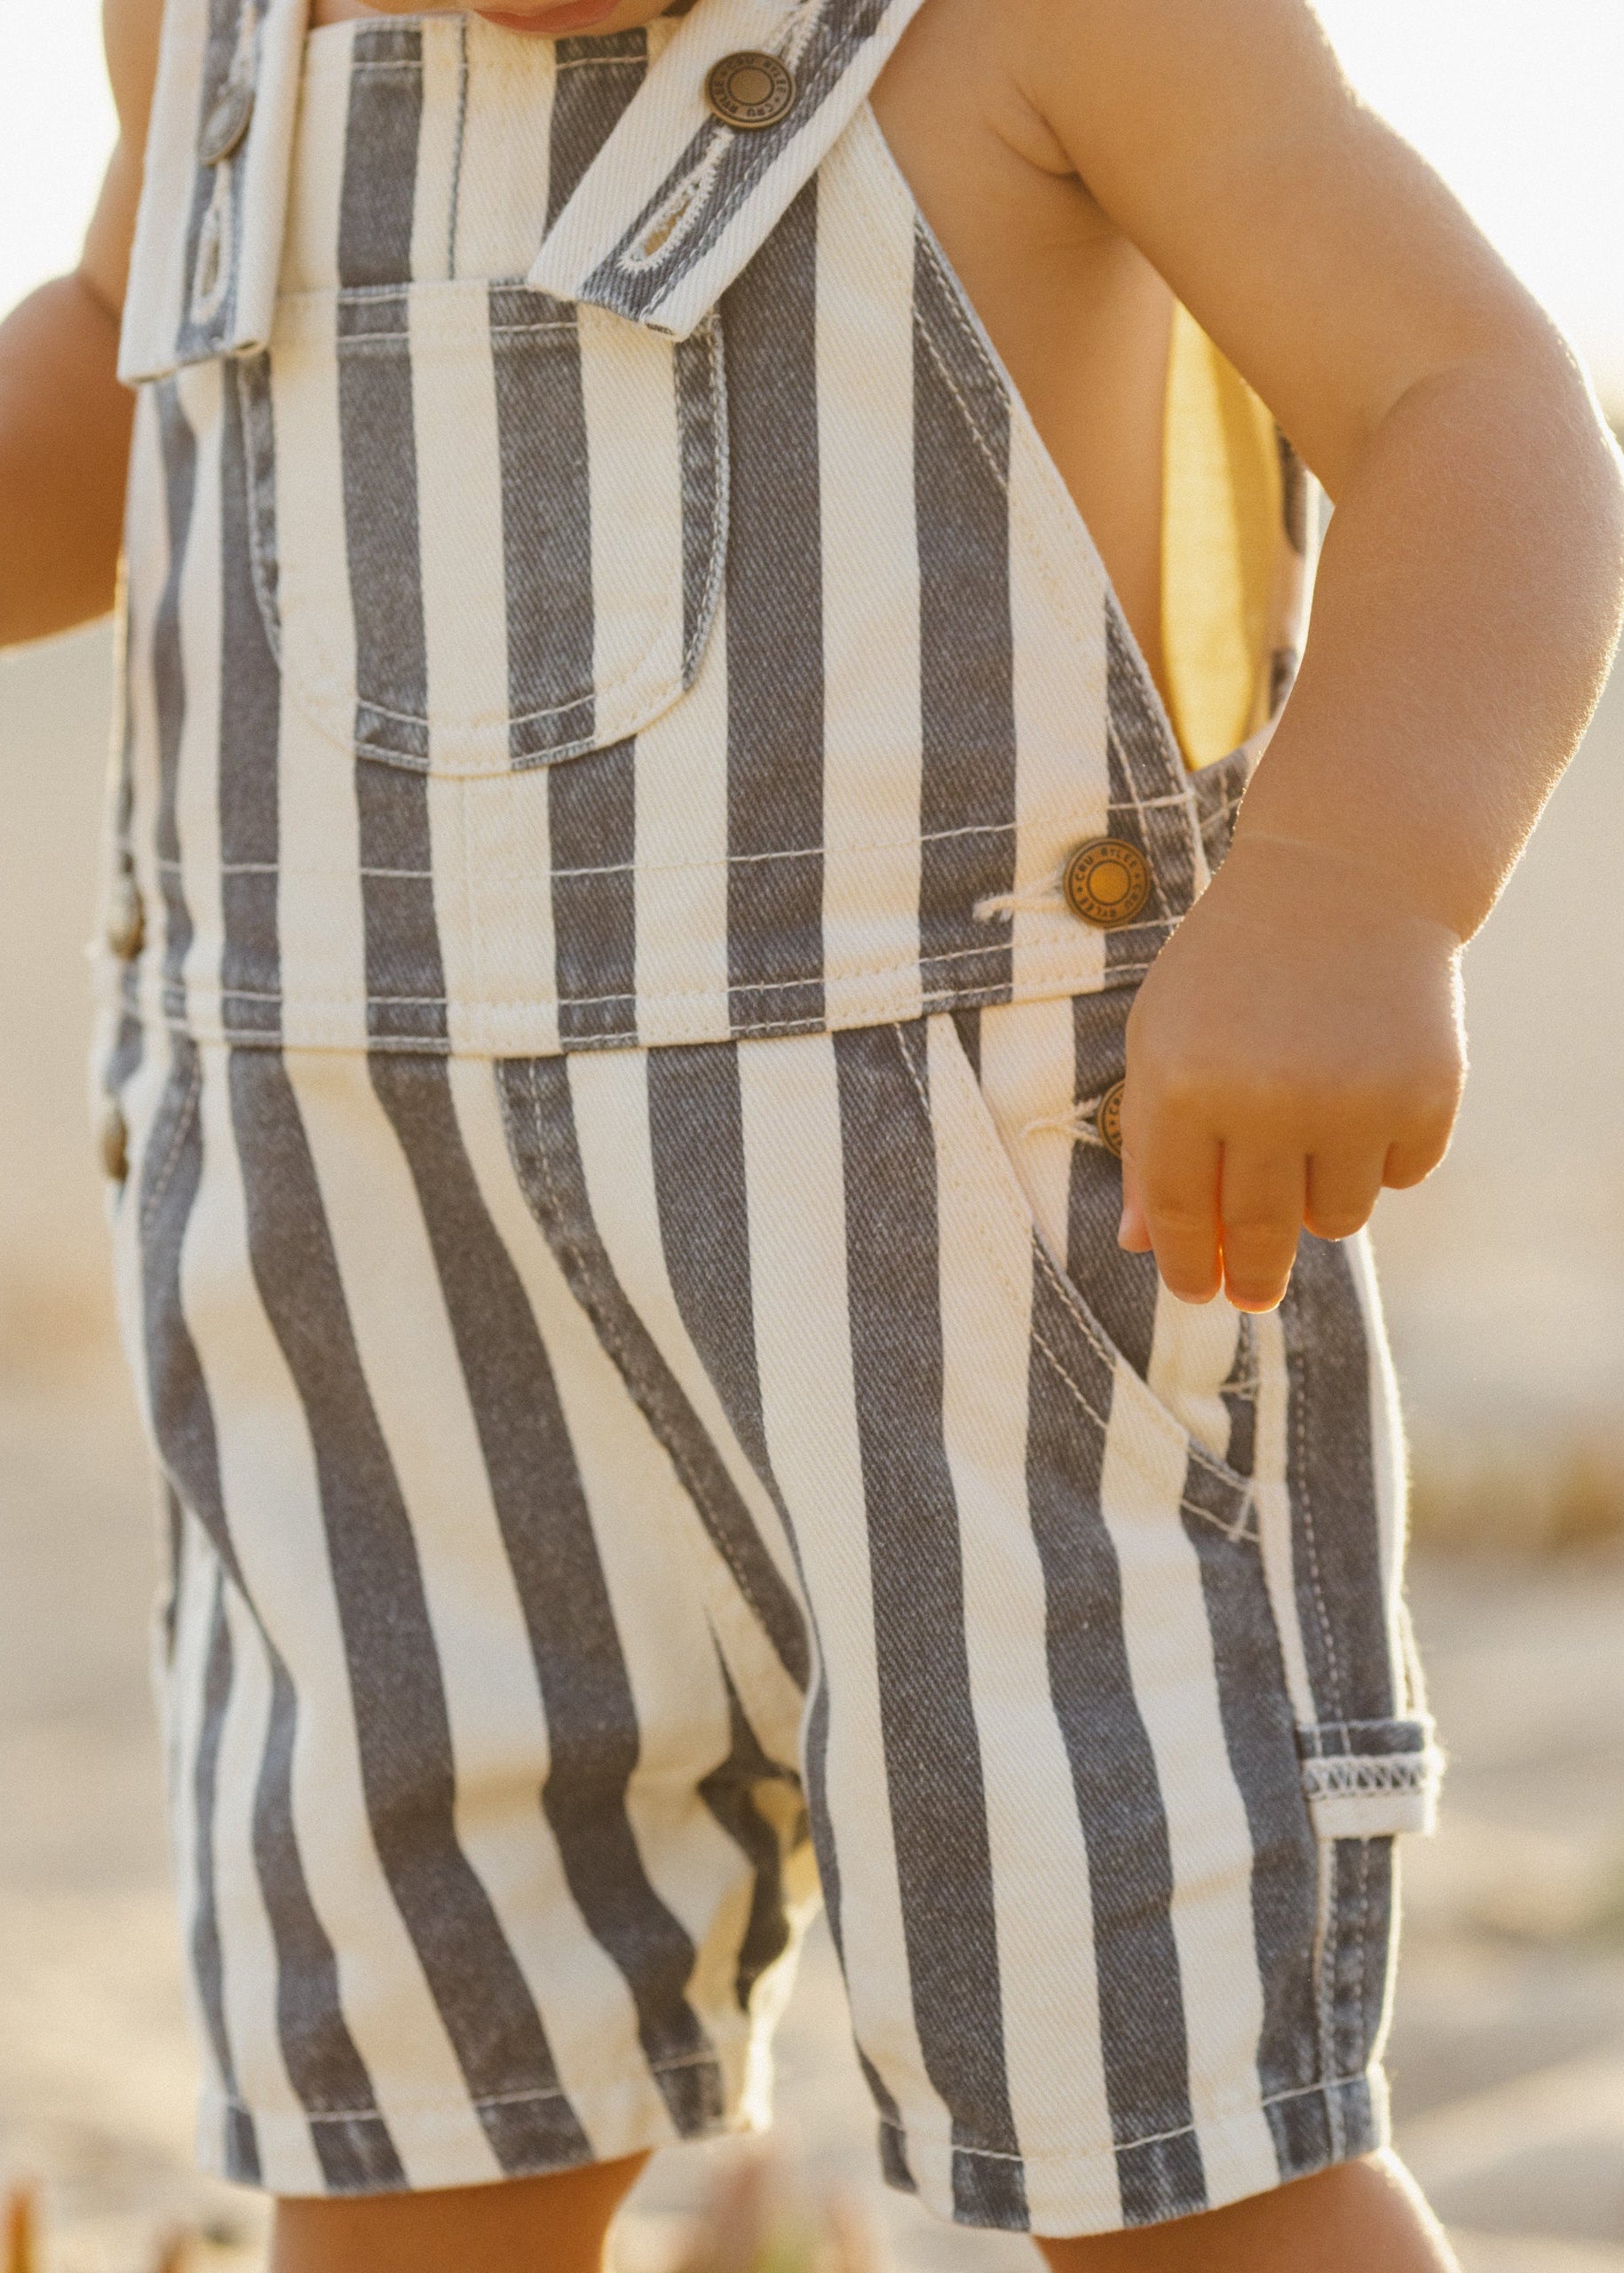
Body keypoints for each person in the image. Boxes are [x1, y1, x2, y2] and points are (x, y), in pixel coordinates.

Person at [2, 0, 1620, 2266]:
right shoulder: (203, 30)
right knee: (419, 2108)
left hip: (972, 1293)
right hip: (370, 1304)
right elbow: (118, 357)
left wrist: (1356, 880)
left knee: (1165, 2109)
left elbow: (1470, 398)